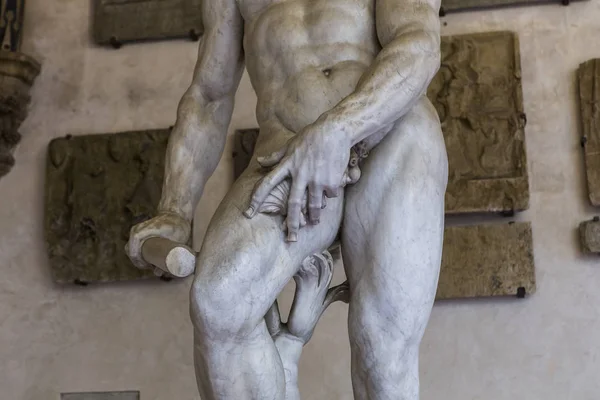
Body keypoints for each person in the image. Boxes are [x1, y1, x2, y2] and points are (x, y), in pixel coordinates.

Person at [126, 0, 448, 398]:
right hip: (286, 151)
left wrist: (338, 130)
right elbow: (210, 94)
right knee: (218, 303)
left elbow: (417, 43)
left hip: (390, 129)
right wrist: (175, 207)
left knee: (381, 348)